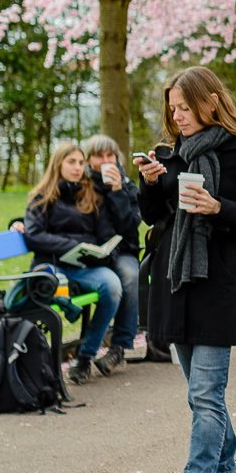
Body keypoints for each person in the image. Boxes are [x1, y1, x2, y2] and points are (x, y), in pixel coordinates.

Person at [135, 67, 236, 473]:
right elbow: (153, 216)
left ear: (211, 102)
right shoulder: (171, 157)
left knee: (206, 394)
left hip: (217, 285)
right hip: (176, 285)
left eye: (184, 108)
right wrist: (152, 182)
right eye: (172, 109)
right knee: (201, 396)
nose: (177, 117)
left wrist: (218, 207)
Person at [21, 140, 126, 387]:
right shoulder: (41, 196)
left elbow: (105, 235)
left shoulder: (92, 195)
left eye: (80, 162)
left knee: (112, 285)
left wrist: (104, 252)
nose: (78, 167)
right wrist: (69, 246)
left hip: (85, 267)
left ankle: (84, 357)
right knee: (56, 283)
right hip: (52, 266)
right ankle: (45, 364)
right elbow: (34, 235)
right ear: (58, 164)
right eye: (72, 162)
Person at [81, 134, 144, 369]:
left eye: (110, 155)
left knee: (130, 276)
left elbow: (129, 227)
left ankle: (119, 347)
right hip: (91, 254)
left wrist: (117, 191)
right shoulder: (81, 183)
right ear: (89, 160)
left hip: (122, 252)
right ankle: (85, 355)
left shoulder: (127, 185)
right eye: (99, 156)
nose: (105, 160)